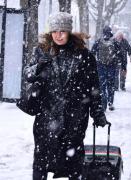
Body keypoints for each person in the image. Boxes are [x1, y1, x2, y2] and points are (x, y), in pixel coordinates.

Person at [24, 12, 108, 180]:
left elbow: (94, 87)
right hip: (46, 118)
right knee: (41, 161)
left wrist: (97, 113)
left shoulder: (84, 56)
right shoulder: (42, 51)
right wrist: (39, 66)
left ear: (69, 31)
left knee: (74, 163)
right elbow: (27, 74)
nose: (58, 35)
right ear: (50, 32)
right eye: (55, 31)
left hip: (74, 118)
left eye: (62, 30)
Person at [91, 26, 121, 111]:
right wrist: (118, 63)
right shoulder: (114, 42)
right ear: (110, 32)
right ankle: (110, 102)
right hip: (111, 67)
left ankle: (103, 104)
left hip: (101, 67)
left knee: (102, 86)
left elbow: (92, 53)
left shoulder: (98, 42)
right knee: (110, 86)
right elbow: (119, 54)